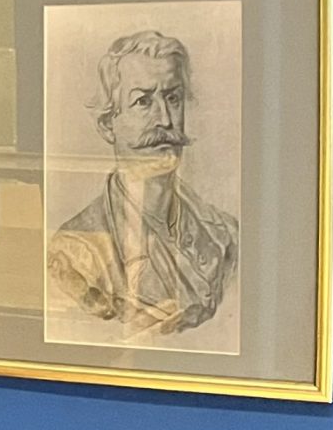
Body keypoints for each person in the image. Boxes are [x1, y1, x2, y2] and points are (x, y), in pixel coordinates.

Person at [47, 31, 239, 337]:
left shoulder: (225, 235)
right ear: (107, 125)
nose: (165, 120)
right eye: (143, 101)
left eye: (173, 98)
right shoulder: (76, 251)